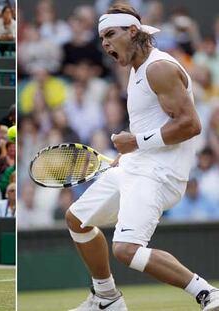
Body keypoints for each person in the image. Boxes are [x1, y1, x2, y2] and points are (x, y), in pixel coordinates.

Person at [64, 4, 219, 311]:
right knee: (77, 220)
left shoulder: (159, 68)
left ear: (132, 31)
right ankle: (106, 298)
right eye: (102, 37)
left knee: (126, 249)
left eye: (110, 34)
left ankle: (207, 293)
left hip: (160, 173)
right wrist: (131, 152)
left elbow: (190, 125)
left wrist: (134, 141)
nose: (105, 43)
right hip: (137, 166)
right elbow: (155, 126)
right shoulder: (137, 69)